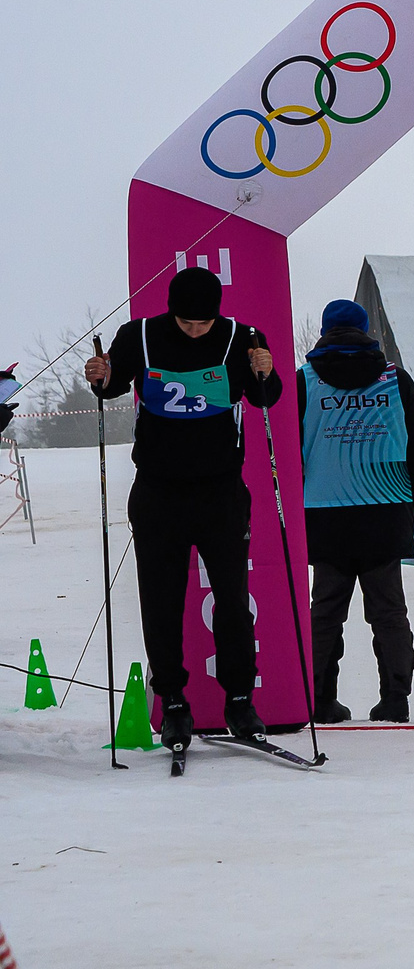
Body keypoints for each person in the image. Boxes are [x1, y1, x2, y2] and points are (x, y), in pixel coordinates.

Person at [82, 266, 283, 752]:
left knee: (233, 599)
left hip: (220, 492)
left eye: (204, 323)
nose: (196, 330)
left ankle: (239, 698)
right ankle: (173, 701)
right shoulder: (141, 335)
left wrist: (266, 370)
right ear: (171, 311)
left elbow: (264, 398)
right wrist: (102, 377)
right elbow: (111, 386)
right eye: (187, 323)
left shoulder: (242, 336)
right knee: (161, 599)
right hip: (158, 492)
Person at [297, 299, 414, 723]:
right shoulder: (394, 379)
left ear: (325, 331)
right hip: (385, 509)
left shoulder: (304, 381)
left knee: (324, 612)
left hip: (324, 512)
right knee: (389, 611)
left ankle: (320, 700)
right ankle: (395, 699)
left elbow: (280, 447)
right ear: (365, 331)